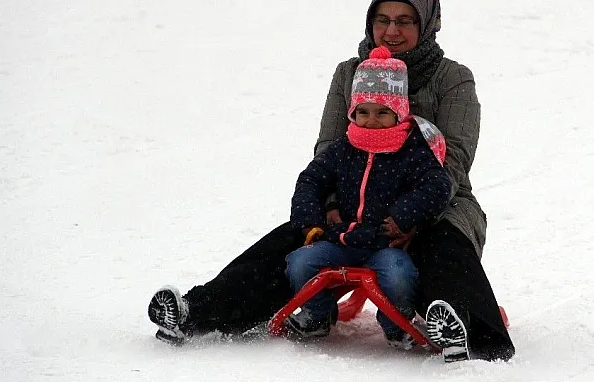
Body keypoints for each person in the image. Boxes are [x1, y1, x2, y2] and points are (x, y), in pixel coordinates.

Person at [148, 0, 515, 362]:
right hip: (351, 205)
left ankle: (474, 337)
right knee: (291, 242)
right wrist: (329, 208)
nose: (391, 31)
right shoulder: (349, 72)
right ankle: (194, 313)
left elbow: (454, 163)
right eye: (382, 20)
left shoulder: (451, 78)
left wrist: (411, 216)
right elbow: (328, 151)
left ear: (427, 24)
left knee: (442, 249)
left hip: (435, 205)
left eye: (405, 21)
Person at [284, 46, 450, 351]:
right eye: (363, 112)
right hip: (342, 240)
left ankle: (395, 322)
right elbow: (310, 179)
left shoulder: (411, 149)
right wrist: (310, 221)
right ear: (353, 112)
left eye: (382, 112)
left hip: (385, 242)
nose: (371, 120)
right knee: (300, 262)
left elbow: (438, 185)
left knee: (399, 274)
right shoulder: (344, 147)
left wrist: (402, 217)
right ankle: (318, 315)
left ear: (398, 112)